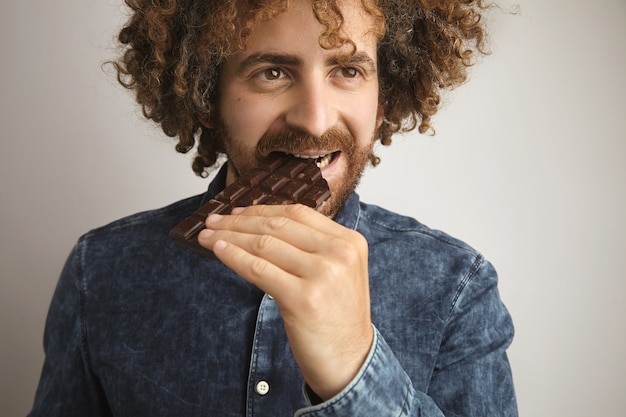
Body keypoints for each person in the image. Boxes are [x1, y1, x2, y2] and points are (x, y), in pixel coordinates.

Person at [29, 0, 517, 415]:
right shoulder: (102, 270)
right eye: (273, 72)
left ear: (382, 97)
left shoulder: (457, 286)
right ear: (207, 97)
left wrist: (356, 371)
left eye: (348, 70)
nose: (315, 118)